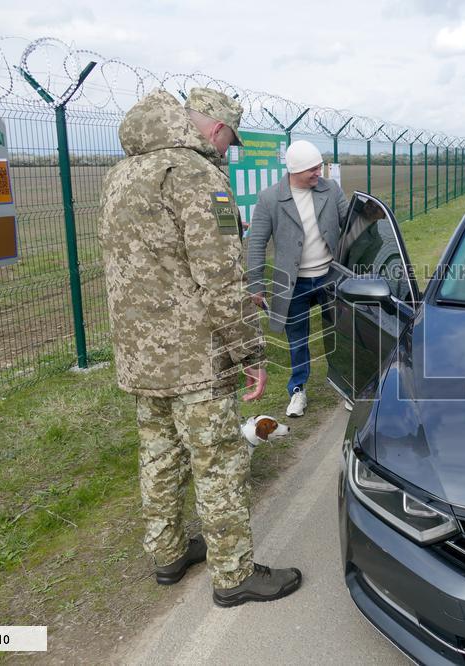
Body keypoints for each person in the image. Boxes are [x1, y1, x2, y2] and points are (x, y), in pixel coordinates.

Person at [99, 87, 302, 609]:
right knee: (218, 464)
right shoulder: (193, 174)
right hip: (194, 359)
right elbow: (220, 277)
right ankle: (233, 575)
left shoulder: (120, 175)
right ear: (215, 128)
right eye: (230, 141)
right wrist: (251, 354)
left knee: (159, 457)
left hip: (140, 355)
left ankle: (167, 553)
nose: (227, 151)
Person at [246, 140, 349, 418]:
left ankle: (346, 384)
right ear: (294, 170)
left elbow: (351, 224)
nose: (319, 173)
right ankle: (298, 390)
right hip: (294, 284)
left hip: (329, 278)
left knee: (340, 333)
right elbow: (256, 242)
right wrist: (255, 284)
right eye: (312, 170)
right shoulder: (270, 199)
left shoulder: (331, 190)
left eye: (319, 167)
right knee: (298, 339)